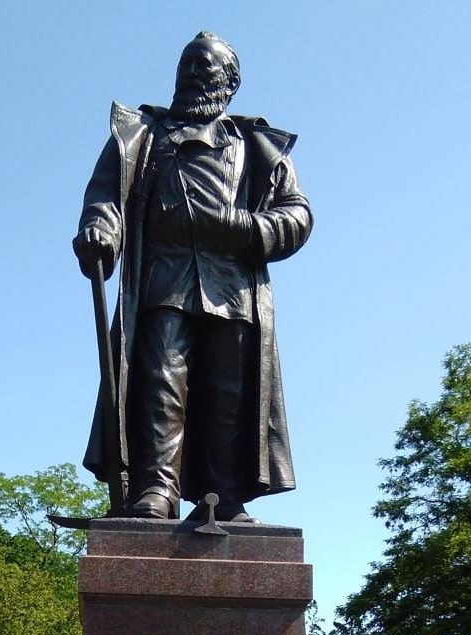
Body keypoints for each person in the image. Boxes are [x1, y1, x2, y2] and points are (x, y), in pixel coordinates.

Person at [73, 32, 313, 522]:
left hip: (233, 287)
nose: (195, 74)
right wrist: (100, 227)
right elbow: (105, 195)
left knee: (229, 393)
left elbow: (298, 215)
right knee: (161, 382)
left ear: (231, 82)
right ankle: (156, 489)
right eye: (188, 64)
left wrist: (244, 228)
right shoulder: (141, 134)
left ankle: (223, 496)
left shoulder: (257, 146)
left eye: (207, 66)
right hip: (165, 279)